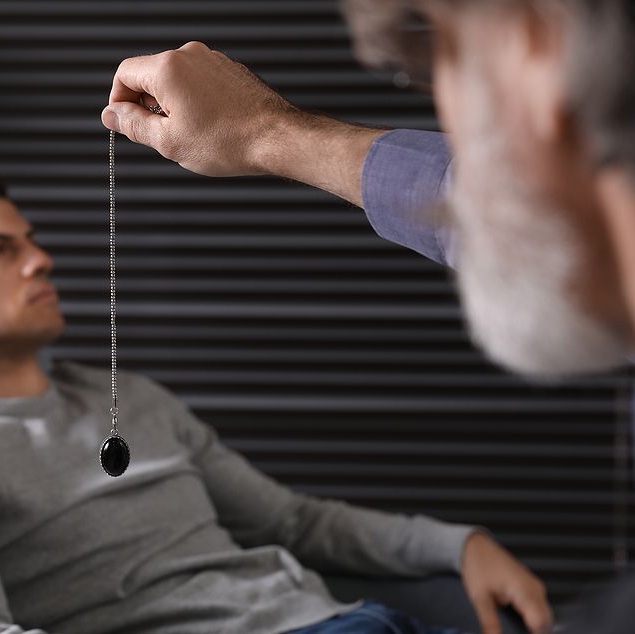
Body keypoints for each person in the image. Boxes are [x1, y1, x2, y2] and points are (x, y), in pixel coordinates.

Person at [98, 1, 634, 633]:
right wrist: (264, 133)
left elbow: (292, 521)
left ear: (532, 47)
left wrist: (454, 546)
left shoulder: (142, 406)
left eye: (442, 59)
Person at [0, 160, 551, 634]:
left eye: (32, 241)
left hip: (348, 618)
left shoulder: (128, 397)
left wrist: (460, 545)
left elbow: (293, 523)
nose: (40, 259)